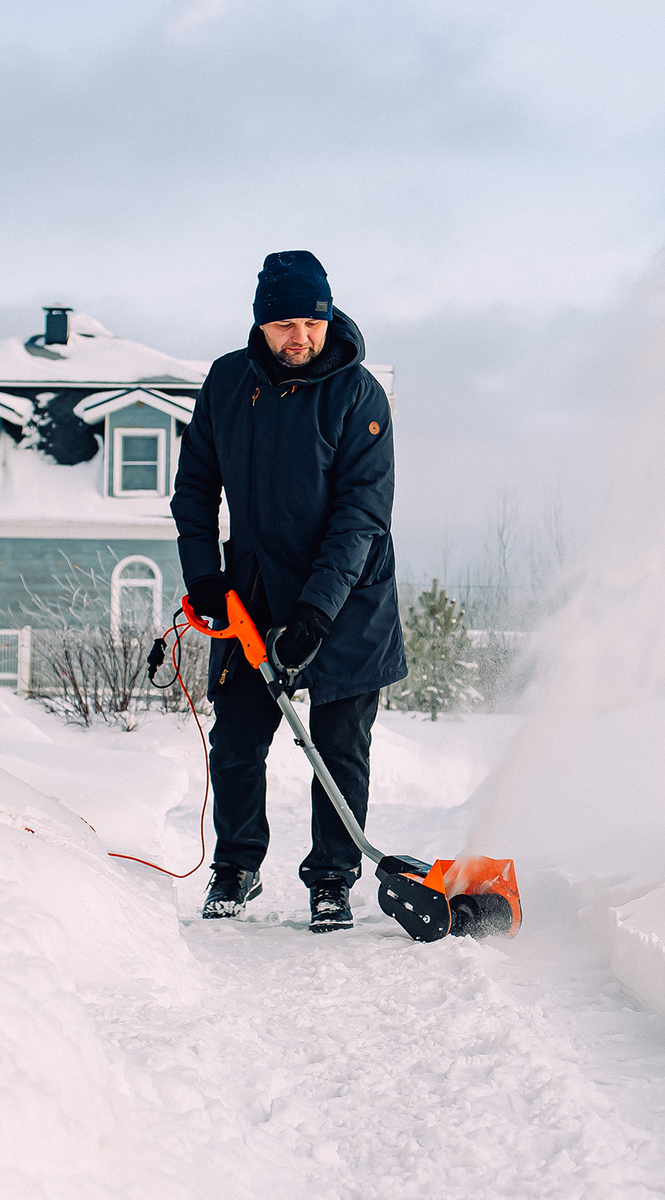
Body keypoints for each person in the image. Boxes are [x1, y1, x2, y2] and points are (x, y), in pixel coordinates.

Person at [171, 250, 407, 932]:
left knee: (339, 747)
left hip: (348, 598)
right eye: (284, 324)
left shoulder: (359, 395)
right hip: (251, 592)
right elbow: (194, 490)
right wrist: (203, 576)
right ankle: (236, 867)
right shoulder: (227, 382)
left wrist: (316, 611)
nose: (300, 337)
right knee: (237, 740)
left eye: (312, 322)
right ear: (260, 324)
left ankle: (332, 878)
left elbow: (361, 516)